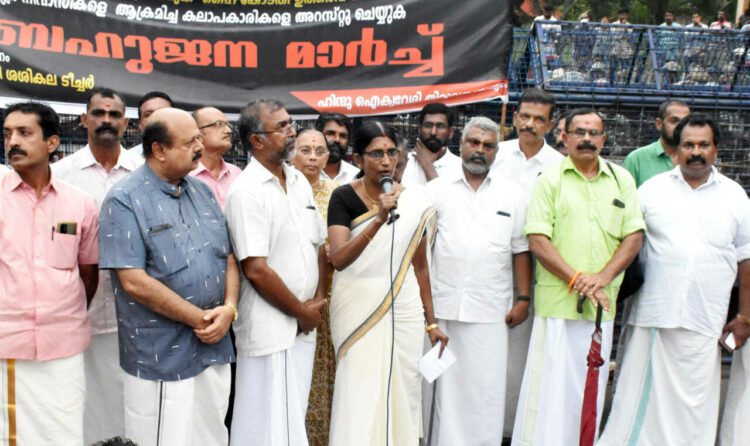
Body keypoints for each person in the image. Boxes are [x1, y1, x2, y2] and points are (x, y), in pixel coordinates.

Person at [599, 114, 750, 445]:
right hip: (654, 314)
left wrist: (744, 316)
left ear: (716, 150)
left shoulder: (735, 196)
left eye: (703, 145)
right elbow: (624, 241)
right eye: (688, 145)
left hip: (705, 317)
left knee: (695, 402)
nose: (695, 152)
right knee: (639, 398)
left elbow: (746, 258)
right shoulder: (651, 191)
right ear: (675, 150)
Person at [99, 108, 237, 446]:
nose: (199, 147)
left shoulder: (202, 191)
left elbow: (229, 257)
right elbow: (133, 281)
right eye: (189, 142)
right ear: (159, 150)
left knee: (211, 435)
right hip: (162, 356)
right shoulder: (124, 199)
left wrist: (230, 309)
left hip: (213, 346)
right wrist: (201, 319)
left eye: (198, 139)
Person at [512, 108, 645, 446]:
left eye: (594, 132)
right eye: (579, 132)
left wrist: (602, 278)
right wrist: (579, 280)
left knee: (588, 393)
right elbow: (537, 239)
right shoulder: (550, 179)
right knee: (547, 396)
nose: (587, 138)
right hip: (558, 306)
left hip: (601, 306)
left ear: (603, 138)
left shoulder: (621, 179)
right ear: (565, 137)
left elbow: (633, 236)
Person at [327, 120, 448, 445]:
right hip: (357, 307)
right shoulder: (343, 198)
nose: (386, 161)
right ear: (357, 158)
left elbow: (420, 267)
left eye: (391, 153)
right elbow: (338, 258)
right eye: (376, 154)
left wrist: (432, 323)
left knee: (402, 390)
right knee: (359, 390)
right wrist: (378, 220)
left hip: (405, 310)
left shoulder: (415, 201)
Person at [225, 100, 328, 446]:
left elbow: (319, 247)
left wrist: (317, 302)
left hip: (304, 325)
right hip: (270, 329)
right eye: (282, 127)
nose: (292, 131)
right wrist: (301, 312)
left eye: (290, 123)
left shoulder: (298, 180)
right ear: (257, 140)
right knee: (264, 426)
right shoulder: (246, 190)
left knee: (292, 419)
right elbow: (255, 269)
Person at [424, 117, 531, 445]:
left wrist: (523, 300)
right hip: (442, 308)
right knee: (439, 388)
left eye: (488, 146)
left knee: (485, 389)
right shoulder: (436, 190)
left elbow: (521, 250)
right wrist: (426, 312)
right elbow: (419, 252)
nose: (479, 150)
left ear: (497, 151)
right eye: (474, 142)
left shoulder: (512, 194)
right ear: (461, 144)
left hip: (490, 310)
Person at [1, 102, 99, 444]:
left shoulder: (80, 202)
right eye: (7, 134)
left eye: (24, 133)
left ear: (52, 142)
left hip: (64, 343)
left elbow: (88, 273)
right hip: (9, 344)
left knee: (65, 432)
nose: (13, 141)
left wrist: (62, 313)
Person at [52, 87, 143, 445]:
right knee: (83, 397)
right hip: (79, 305)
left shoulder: (143, 173)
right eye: (99, 113)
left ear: (126, 123)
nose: (106, 120)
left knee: (132, 396)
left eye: (114, 114)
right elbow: (55, 237)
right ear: (84, 120)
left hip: (137, 306)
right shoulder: (61, 174)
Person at [493, 88, 564, 435]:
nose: (529, 124)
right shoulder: (495, 154)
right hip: (489, 265)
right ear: (515, 117)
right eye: (524, 116)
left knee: (520, 353)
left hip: (536, 271)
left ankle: (511, 431)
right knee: (487, 349)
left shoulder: (559, 166)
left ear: (550, 125)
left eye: (539, 119)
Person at [290, 128, 337, 446]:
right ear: (292, 153)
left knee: (324, 373)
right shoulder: (284, 189)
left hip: (329, 298)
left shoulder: (337, 194)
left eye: (319, 151)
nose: (312, 157)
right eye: (305, 150)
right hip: (290, 298)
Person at [623, 100, 690, 187]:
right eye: (674, 121)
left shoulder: (696, 159)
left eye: (685, 122)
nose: (680, 127)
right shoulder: (636, 160)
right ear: (659, 124)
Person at [190, 106, 241, 210]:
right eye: (219, 124)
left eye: (227, 125)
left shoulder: (237, 174)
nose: (228, 131)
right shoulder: (184, 177)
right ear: (198, 134)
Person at [400, 102, 461, 186]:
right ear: (420, 130)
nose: (433, 132)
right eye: (428, 126)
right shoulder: (405, 162)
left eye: (440, 126)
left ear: (450, 132)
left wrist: (428, 166)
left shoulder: (461, 168)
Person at [315, 112, 359, 184]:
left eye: (342, 136)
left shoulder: (356, 177)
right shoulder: (302, 174)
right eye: (330, 133)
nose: (337, 140)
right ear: (318, 135)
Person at [128, 91, 173, 157]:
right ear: (140, 125)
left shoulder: (188, 157)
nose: (155, 118)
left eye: (162, 112)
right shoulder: (128, 159)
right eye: (148, 115)